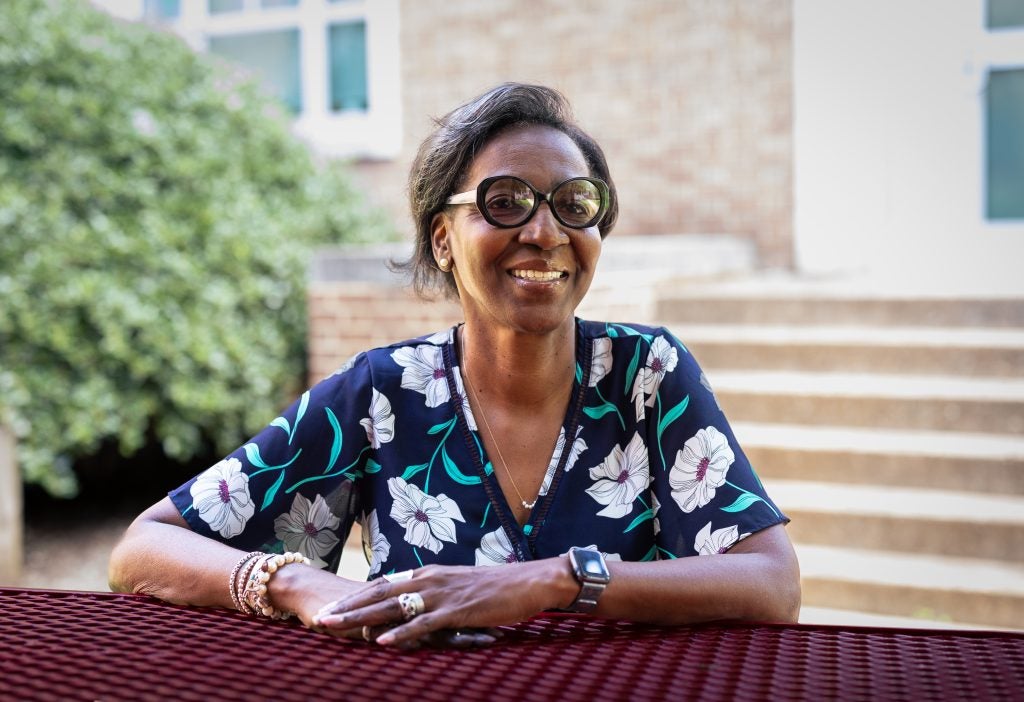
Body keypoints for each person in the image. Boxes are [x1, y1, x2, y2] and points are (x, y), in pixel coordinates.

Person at [109, 82, 800, 649]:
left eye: (575, 204)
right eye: (505, 203)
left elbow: (771, 585)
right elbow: (142, 550)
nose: (545, 232)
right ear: (443, 239)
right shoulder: (382, 394)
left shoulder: (646, 375)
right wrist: (297, 584)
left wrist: (556, 580)